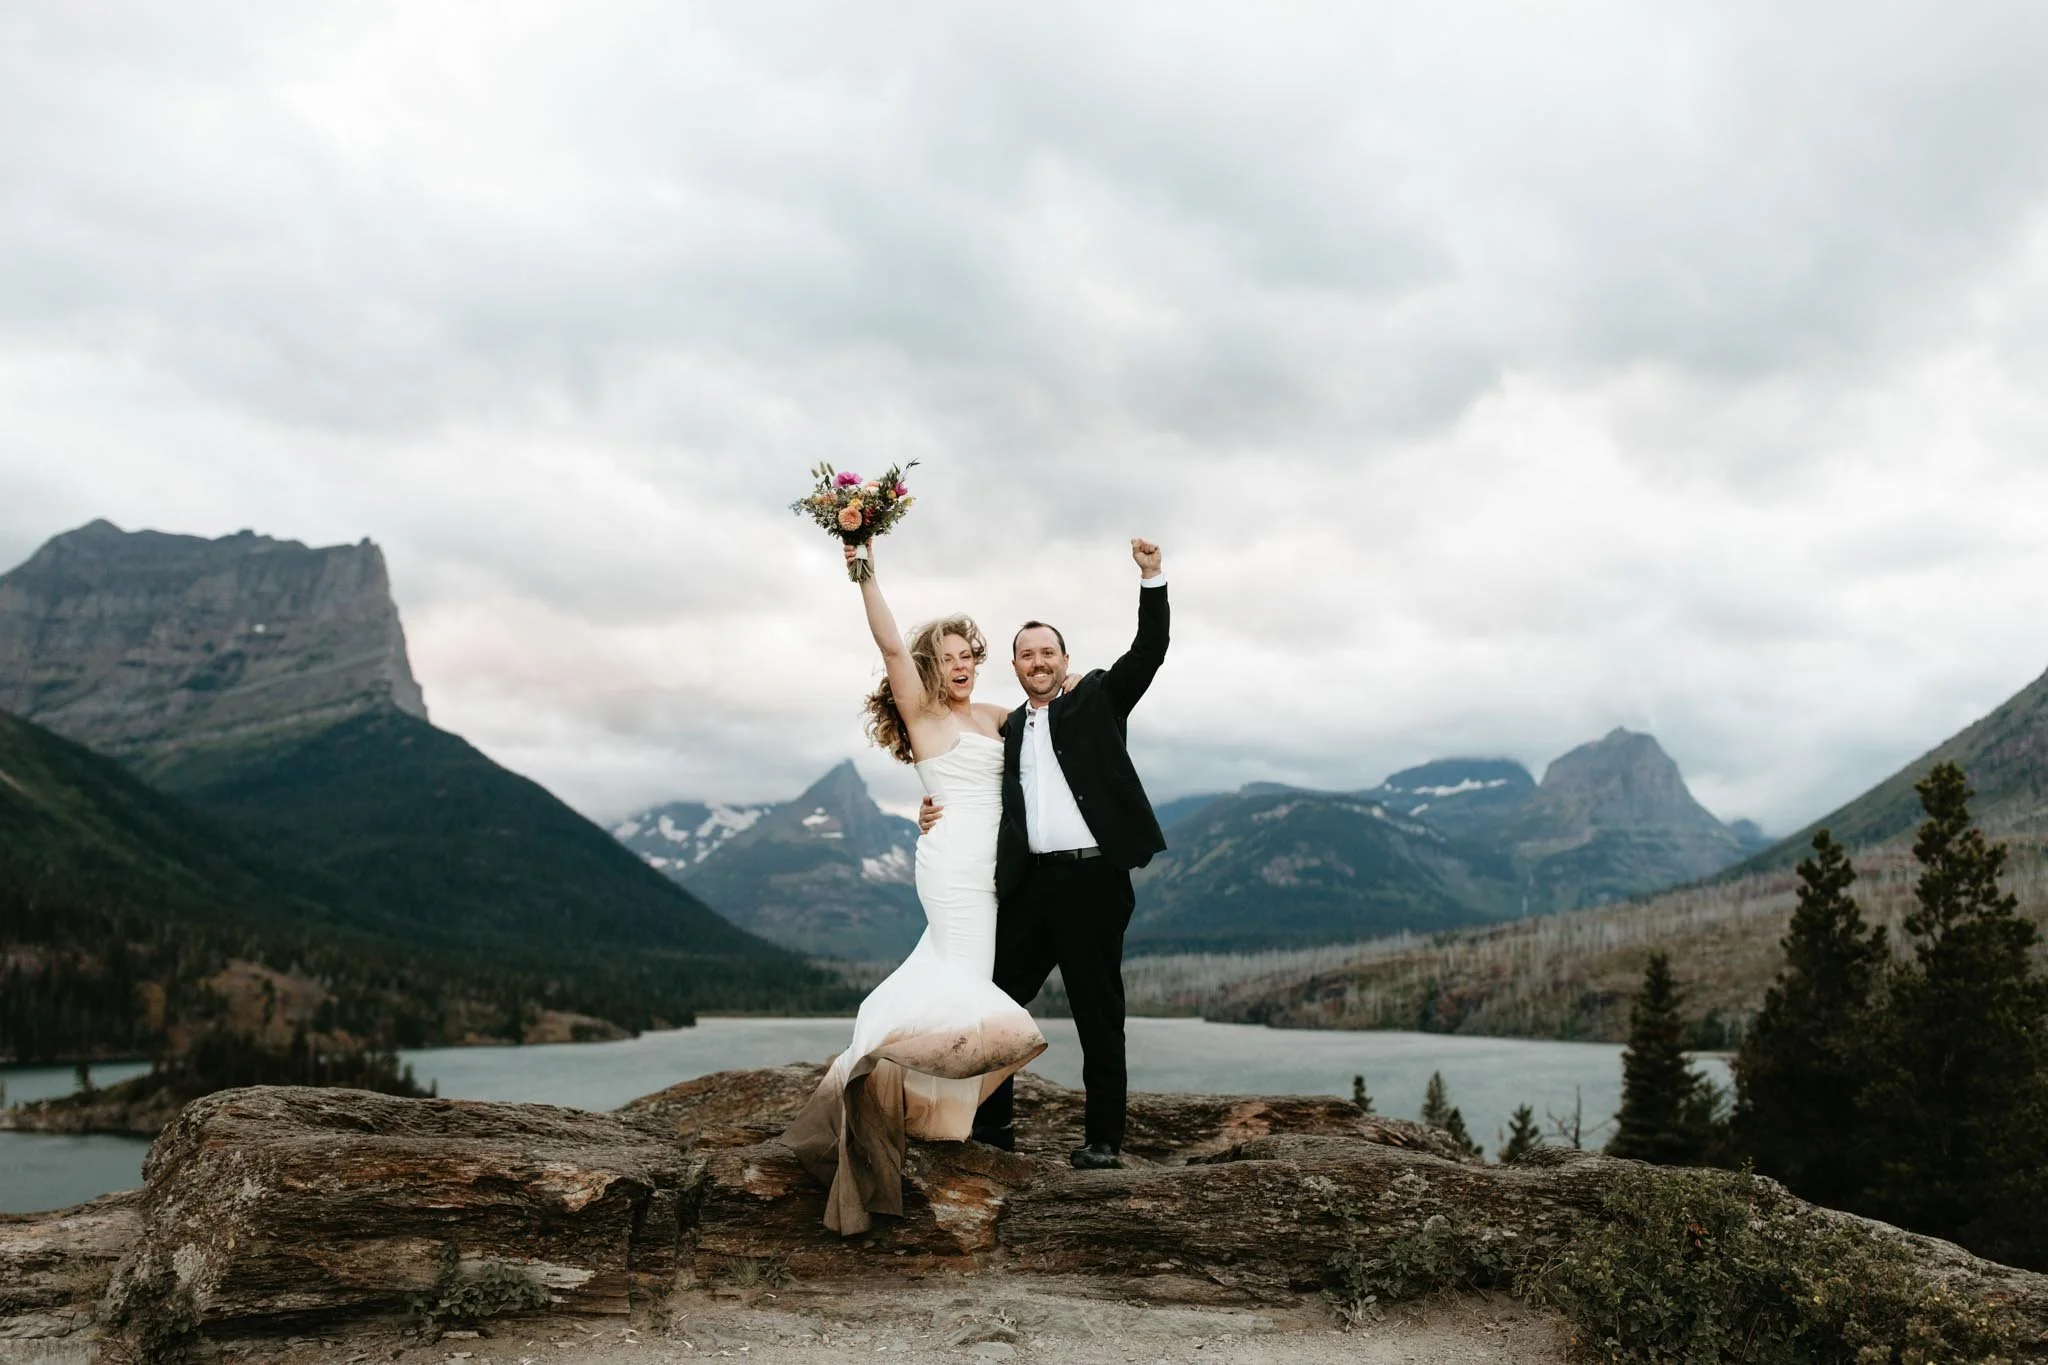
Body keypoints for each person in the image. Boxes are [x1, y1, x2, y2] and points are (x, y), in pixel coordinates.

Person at [780, 539, 1047, 1236]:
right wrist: (862, 568)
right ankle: (885, 1092)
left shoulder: (993, 716)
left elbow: (1047, 723)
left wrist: (1076, 685)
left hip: (991, 871)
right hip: (953, 864)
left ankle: (928, 1111)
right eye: (950, 654)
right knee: (960, 983)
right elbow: (891, 647)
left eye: (969, 654)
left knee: (953, 978)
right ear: (933, 665)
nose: (962, 663)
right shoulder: (924, 714)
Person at [919, 538, 1169, 1169]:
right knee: (997, 1003)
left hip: (1093, 883)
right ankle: (994, 1131)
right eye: (1027, 653)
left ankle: (1104, 1141)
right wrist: (929, 812)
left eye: (1048, 652)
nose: (1038, 661)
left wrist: (1151, 577)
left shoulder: (1098, 700)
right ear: (1014, 664)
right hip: (1029, 887)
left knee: (1097, 1012)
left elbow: (1151, 651)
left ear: (1065, 659)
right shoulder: (1003, 729)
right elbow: (969, 784)